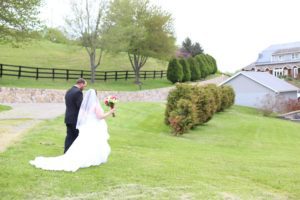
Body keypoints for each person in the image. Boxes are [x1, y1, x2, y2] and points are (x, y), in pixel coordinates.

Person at [29, 89, 115, 172]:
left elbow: (84, 116)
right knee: (93, 142)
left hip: (88, 126)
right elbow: (100, 116)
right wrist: (110, 112)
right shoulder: (96, 105)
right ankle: (92, 158)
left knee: (85, 142)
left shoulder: (85, 106)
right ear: (96, 95)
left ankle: (87, 157)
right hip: (94, 126)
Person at [64, 78, 87, 153]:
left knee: (69, 136)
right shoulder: (78, 92)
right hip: (75, 119)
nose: (84, 88)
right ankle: (75, 154)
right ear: (81, 83)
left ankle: (66, 152)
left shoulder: (69, 91)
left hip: (68, 117)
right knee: (76, 137)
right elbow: (80, 106)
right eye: (84, 86)